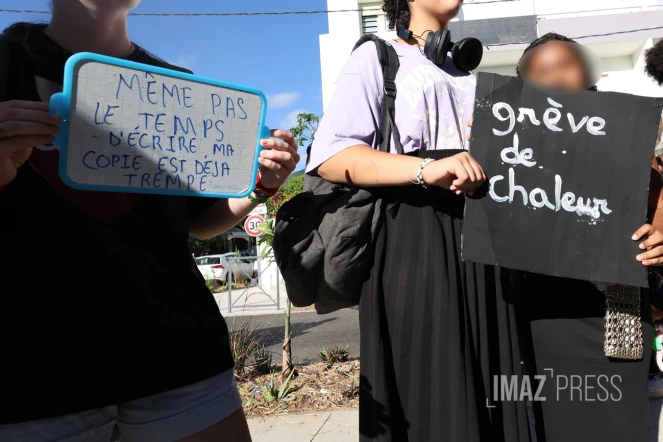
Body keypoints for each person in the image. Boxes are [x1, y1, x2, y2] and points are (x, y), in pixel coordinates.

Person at [0, 1, 299, 441]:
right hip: (34, 369)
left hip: (179, 357)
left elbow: (198, 222)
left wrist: (260, 188)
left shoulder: (181, 89)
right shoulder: (7, 65)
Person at [306, 1, 529, 441]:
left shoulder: (470, 71)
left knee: (495, 382)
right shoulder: (377, 55)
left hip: (488, 241)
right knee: (432, 386)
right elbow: (331, 156)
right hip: (416, 234)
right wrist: (425, 169)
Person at [513, 32, 663, 442]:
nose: (556, 77)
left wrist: (659, 236)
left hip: (614, 314)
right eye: (542, 72)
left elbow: (657, 202)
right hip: (545, 314)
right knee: (552, 422)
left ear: (588, 73)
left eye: (565, 64)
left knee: (618, 425)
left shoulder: (627, 135)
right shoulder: (513, 145)